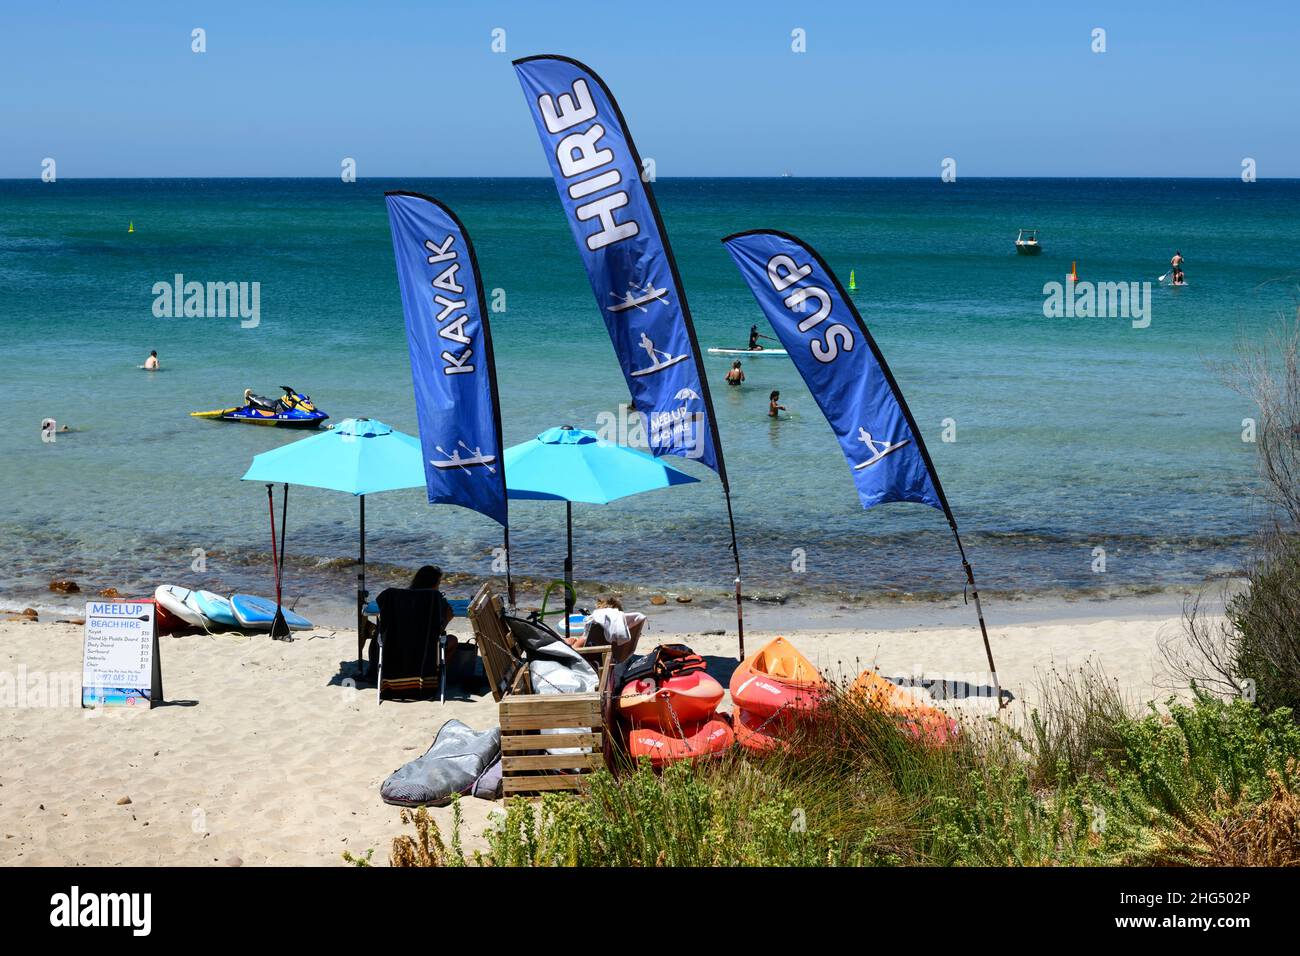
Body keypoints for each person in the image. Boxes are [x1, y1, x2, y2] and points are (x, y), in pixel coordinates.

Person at [570, 595, 646, 663]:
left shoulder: (596, 627)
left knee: (568, 642)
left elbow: (573, 650)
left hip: (594, 665)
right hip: (616, 662)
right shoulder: (624, 630)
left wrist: (571, 644)